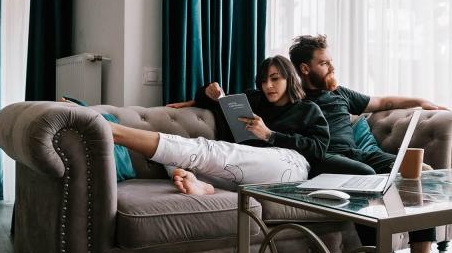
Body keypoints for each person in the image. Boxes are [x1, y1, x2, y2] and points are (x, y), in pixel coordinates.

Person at [288, 34, 452, 253]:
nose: (332, 67)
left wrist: (420, 102)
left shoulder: (339, 93)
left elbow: (384, 102)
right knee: (366, 180)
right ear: (305, 68)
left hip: (360, 155)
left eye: (331, 61)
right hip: (327, 160)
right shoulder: (291, 99)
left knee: (417, 172)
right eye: (324, 63)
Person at [111, 55, 329, 195]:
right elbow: (212, 102)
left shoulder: (308, 110)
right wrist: (209, 92)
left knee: (214, 151)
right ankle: (201, 184)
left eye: (275, 79)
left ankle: (115, 132)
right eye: (263, 80)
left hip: (290, 165)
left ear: (290, 78)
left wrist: (270, 135)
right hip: (247, 169)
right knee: (179, 162)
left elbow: (318, 149)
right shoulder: (254, 99)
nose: (268, 86)